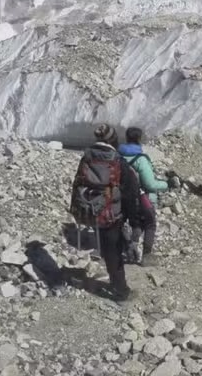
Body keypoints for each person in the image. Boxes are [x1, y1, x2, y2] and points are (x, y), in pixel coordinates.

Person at [70, 124, 141, 302]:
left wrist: (77, 208)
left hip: (93, 209)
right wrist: (134, 221)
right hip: (113, 213)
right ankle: (121, 291)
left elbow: (78, 183)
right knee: (115, 251)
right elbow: (131, 192)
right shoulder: (117, 161)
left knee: (106, 247)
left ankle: (115, 282)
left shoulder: (87, 157)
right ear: (113, 140)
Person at [118, 127, 180, 266]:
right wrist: (167, 184)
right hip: (142, 198)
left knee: (136, 224)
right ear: (139, 140)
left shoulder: (118, 157)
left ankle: (130, 248)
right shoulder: (140, 160)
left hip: (123, 199)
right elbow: (150, 184)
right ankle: (146, 256)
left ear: (127, 139)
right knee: (149, 224)